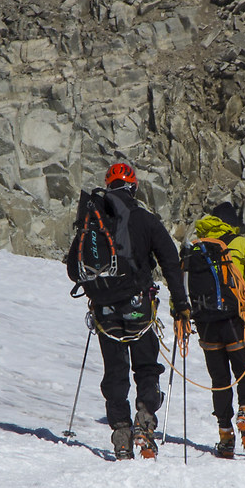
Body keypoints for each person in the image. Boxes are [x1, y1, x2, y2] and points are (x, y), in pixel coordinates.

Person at [63, 162, 186, 459]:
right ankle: (145, 422)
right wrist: (181, 305)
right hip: (138, 307)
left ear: (108, 186)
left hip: (104, 311)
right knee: (146, 367)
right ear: (134, 187)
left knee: (115, 372)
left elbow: (73, 269)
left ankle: (121, 435)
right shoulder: (144, 219)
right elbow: (170, 261)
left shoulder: (93, 218)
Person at [182, 201, 245, 458]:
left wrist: (179, 313)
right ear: (232, 224)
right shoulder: (241, 244)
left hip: (206, 325)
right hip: (237, 323)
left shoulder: (195, 248)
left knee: (220, 382)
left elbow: (181, 285)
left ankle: (225, 436)